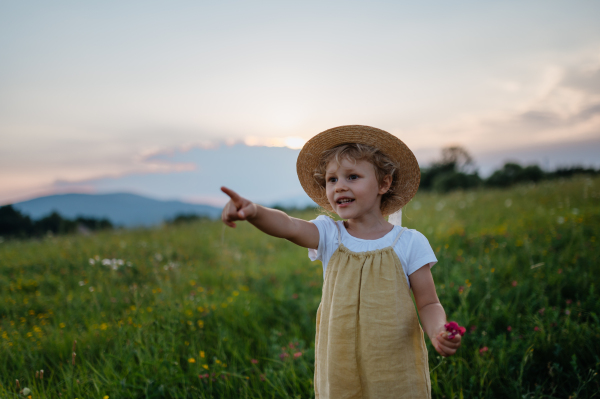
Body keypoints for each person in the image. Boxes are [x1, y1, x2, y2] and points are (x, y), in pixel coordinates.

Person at [221, 125, 461, 398]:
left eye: (353, 176)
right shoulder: (329, 235)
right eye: (332, 179)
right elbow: (288, 226)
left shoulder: (409, 242)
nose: (340, 186)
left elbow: (429, 303)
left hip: (393, 366)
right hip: (339, 364)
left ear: (384, 183)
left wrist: (438, 330)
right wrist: (254, 212)